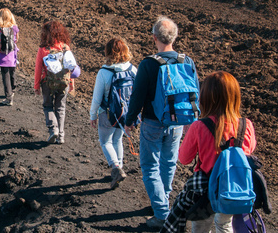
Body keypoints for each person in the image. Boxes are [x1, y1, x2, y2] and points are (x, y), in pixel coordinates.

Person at [124, 16, 199, 229]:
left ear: (154, 37)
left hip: (153, 123)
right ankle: (162, 201)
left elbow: (137, 95)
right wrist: (190, 119)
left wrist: (130, 121)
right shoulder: (187, 61)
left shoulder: (149, 64)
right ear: (174, 37)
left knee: (149, 166)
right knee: (168, 163)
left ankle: (162, 212)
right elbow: (195, 93)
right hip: (177, 122)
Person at [161, 71, 256, 233]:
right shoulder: (246, 125)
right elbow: (248, 151)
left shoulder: (199, 126)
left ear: (205, 97)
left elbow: (184, 159)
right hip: (233, 187)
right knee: (224, 224)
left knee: (200, 228)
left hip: (204, 190)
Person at [89, 37, 138, 189]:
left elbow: (97, 98)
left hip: (107, 113)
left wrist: (93, 115)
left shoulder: (104, 72)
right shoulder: (133, 70)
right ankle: (120, 167)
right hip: (125, 113)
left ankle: (116, 168)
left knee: (105, 142)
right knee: (117, 140)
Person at [34, 20, 78, 145]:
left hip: (47, 82)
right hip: (63, 82)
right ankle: (61, 136)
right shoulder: (65, 48)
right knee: (61, 107)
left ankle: (53, 129)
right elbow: (70, 66)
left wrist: (36, 86)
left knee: (48, 106)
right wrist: (71, 82)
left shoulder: (43, 49)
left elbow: (38, 68)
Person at [0, 8, 19, 105]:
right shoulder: (15, 28)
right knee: (12, 73)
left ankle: (8, 98)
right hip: (12, 55)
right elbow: (16, 39)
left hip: (2, 55)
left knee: (5, 76)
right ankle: (12, 90)